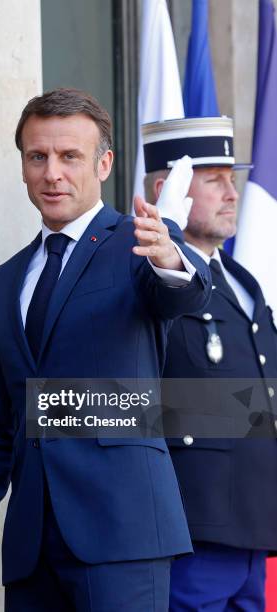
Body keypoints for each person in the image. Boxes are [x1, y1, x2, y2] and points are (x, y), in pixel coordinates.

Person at [0, 89, 211, 611]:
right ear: (22, 167)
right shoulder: (5, 280)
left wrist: (171, 258)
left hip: (123, 535)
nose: (52, 173)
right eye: (38, 157)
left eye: (69, 156)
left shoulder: (140, 244)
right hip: (32, 547)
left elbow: (184, 291)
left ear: (104, 164)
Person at [143, 116, 277, 611]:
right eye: (214, 179)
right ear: (169, 189)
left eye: (232, 177)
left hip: (253, 528)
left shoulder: (243, 281)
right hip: (194, 531)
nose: (232, 192)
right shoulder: (150, 280)